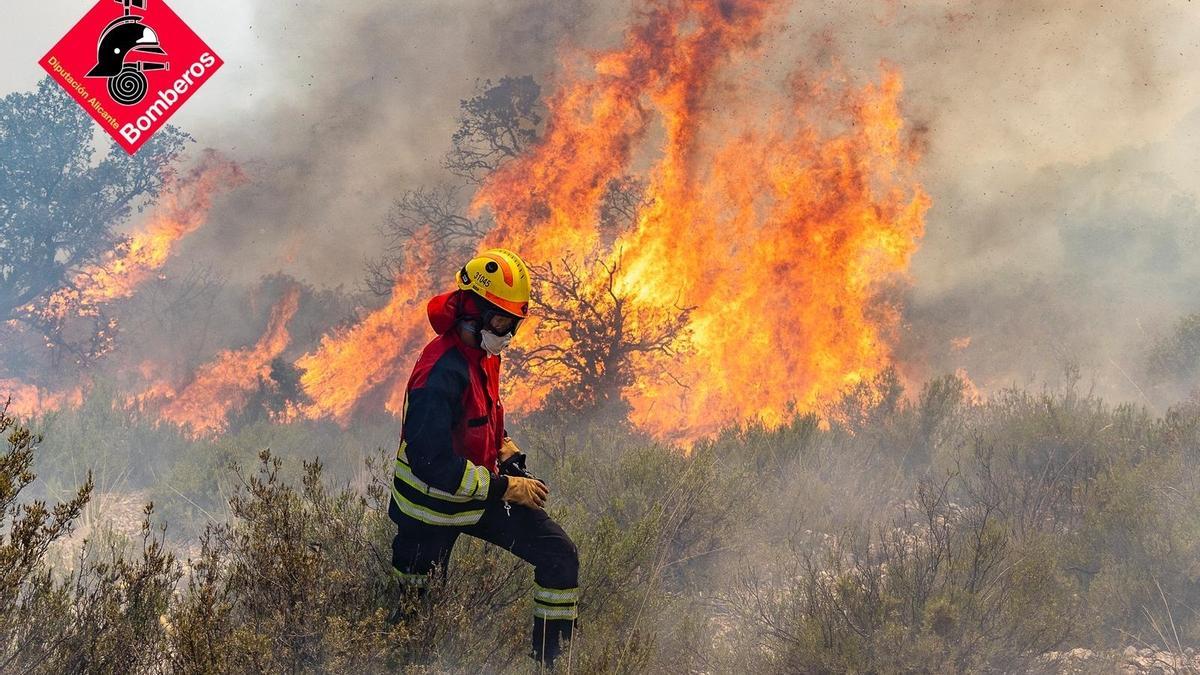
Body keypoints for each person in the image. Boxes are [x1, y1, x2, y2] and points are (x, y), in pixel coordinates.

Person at [388, 248, 579, 666]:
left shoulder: (483, 353)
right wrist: (506, 488)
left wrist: (506, 451)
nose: (507, 332)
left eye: (513, 323)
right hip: (428, 511)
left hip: (476, 496)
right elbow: (431, 463)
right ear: (471, 310)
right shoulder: (437, 373)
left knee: (560, 556)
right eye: (501, 320)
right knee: (414, 626)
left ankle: (551, 662)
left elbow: (483, 415)